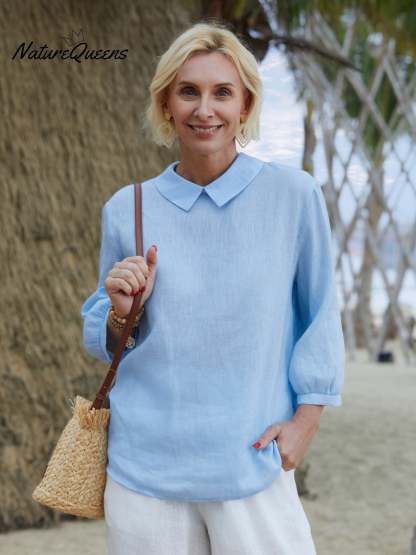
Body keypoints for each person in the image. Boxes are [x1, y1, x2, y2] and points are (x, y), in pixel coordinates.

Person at [81, 21, 345, 555]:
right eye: (188, 92)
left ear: (245, 105)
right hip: (144, 472)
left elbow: (321, 312)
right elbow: (109, 340)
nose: (205, 109)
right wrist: (120, 312)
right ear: (166, 104)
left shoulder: (293, 197)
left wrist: (306, 422)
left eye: (222, 92)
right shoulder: (127, 208)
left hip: (252, 463)